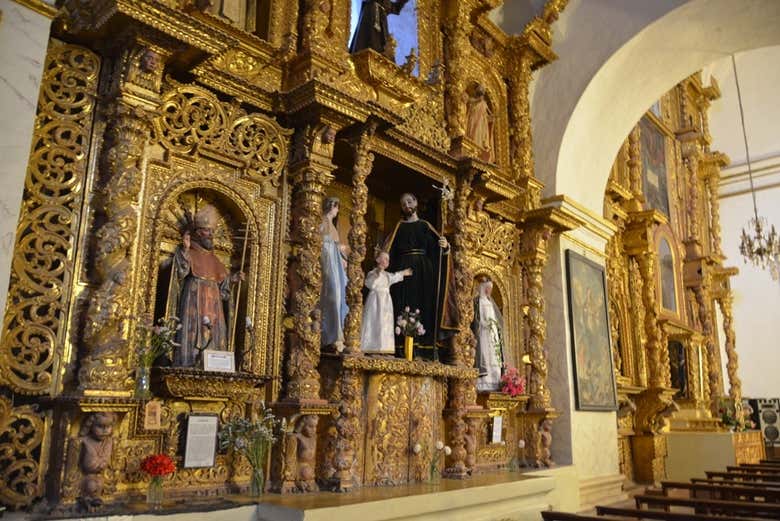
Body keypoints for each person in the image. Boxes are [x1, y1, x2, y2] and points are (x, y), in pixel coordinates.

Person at [384, 193, 456, 351]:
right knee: (403, 304)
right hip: (403, 271)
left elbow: (437, 252)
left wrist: (445, 247)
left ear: (416, 202)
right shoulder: (399, 227)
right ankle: (401, 346)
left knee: (424, 304)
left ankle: (425, 348)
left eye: (409, 202)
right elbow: (389, 251)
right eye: (403, 204)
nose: (407, 206)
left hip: (424, 272)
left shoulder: (425, 226)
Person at [171, 205, 241, 367]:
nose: (211, 235)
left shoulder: (215, 260)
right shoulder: (189, 253)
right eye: (208, 232)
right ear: (198, 233)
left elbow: (223, 288)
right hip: (194, 300)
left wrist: (232, 280)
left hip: (214, 304)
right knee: (194, 331)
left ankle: (215, 364)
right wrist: (185, 251)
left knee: (214, 334)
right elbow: (179, 274)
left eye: (212, 232)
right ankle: (189, 363)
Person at [361, 251, 412, 354]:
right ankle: (372, 347)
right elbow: (369, 283)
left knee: (385, 324)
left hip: (386, 303)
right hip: (375, 301)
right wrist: (378, 272)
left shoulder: (388, 275)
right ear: (377, 260)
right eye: (384, 258)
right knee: (374, 322)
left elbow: (395, 276)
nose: (386, 261)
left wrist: (404, 272)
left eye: (388, 259)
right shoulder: (372, 273)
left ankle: (384, 348)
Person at [320, 197, 349, 351]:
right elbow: (321, 243)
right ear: (332, 207)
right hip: (328, 264)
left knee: (338, 297)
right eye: (336, 207)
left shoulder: (332, 225)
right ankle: (329, 335)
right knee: (332, 296)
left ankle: (336, 334)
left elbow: (335, 246)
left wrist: (342, 255)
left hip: (335, 264)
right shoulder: (323, 222)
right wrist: (337, 248)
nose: (337, 211)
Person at [472, 277, 504, 391]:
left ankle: (495, 381)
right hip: (484, 334)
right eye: (488, 288)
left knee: (494, 357)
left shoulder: (490, 303)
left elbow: (495, 318)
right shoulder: (478, 301)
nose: (489, 291)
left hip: (492, 334)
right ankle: (484, 382)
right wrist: (485, 325)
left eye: (490, 289)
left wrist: (494, 327)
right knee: (485, 355)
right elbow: (477, 319)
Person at [465, 84, 494, 162]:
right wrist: (479, 101)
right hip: (473, 121)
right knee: (474, 135)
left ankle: (480, 150)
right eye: (480, 91)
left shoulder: (484, 104)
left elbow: (489, 113)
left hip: (482, 124)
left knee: (480, 136)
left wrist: (492, 117)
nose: (481, 93)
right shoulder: (472, 100)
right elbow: (469, 104)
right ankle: (472, 147)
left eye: (482, 91)